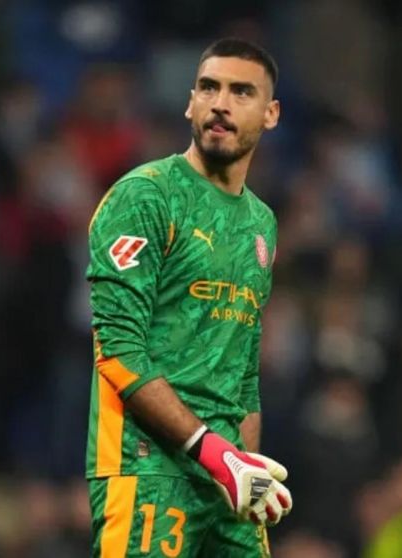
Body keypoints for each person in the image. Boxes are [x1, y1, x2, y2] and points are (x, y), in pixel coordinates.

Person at [85, 38, 293, 557]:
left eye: (241, 92)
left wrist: (244, 466)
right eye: (208, 88)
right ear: (190, 103)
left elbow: (243, 369)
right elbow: (117, 350)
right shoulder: (146, 196)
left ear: (271, 114)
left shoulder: (261, 223)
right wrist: (217, 455)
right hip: (146, 469)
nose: (220, 103)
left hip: (227, 480)